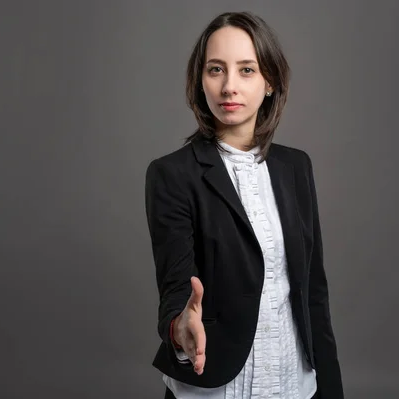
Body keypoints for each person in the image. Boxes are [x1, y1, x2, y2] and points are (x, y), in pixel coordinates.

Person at [145, 11, 344, 399]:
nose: (229, 86)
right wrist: (179, 329)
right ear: (200, 81)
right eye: (216, 69)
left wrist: (332, 389)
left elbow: (313, 294)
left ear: (270, 81)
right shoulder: (171, 174)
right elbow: (175, 289)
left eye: (247, 70)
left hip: (294, 382)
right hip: (219, 385)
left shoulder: (295, 167)